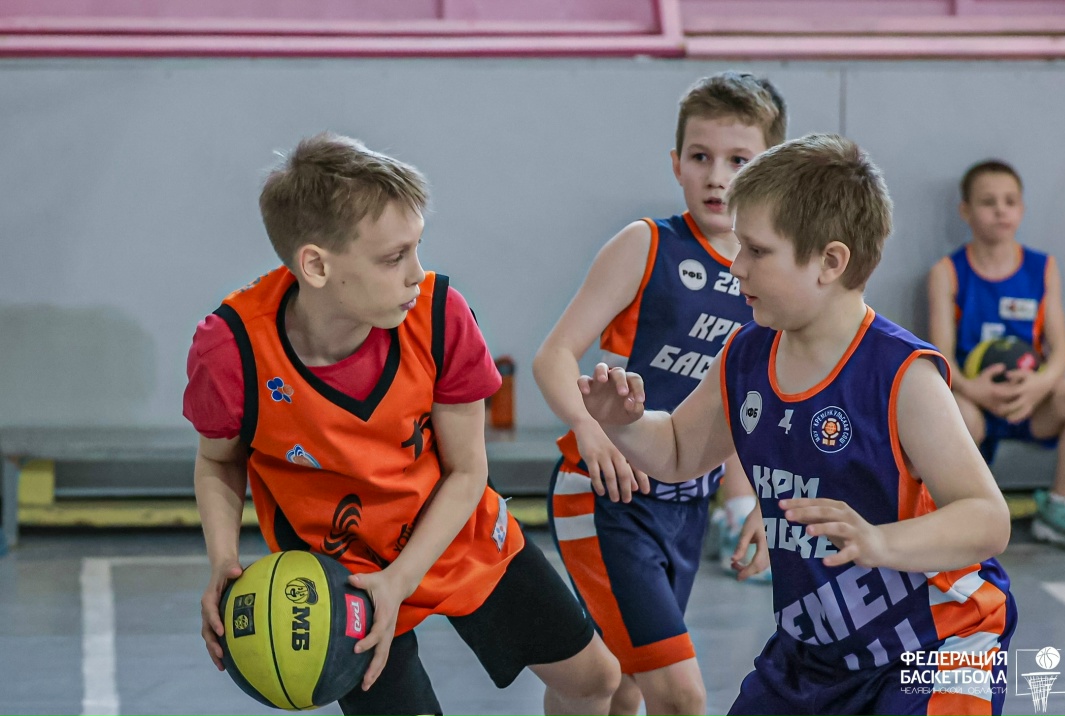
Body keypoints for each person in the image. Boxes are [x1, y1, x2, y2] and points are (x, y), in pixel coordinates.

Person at [577, 134, 1017, 716]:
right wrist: (626, 425)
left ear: (830, 262)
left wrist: (881, 542)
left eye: (757, 251)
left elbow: (988, 518)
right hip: (816, 652)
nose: (736, 266)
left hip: (940, 643)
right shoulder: (745, 353)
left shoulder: (902, 375)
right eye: (739, 246)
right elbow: (679, 451)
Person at [183, 133, 621, 716]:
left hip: (452, 529)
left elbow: (468, 471)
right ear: (316, 265)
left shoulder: (440, 315)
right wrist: (223, 560)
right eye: (393, 258)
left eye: (417, 248)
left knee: (595, 680)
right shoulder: (232, 350)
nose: (417, 272)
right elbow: (218, 460)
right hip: (341, 575)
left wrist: (401, 579)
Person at [533, 71, 785, 716]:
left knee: (619, 684)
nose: (717, 177)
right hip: (607, 492)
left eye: (739, 160)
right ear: (676, 164)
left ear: (770, 170)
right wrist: (589, 431)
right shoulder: (647, 244)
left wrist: (758, 502)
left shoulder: (767, 273)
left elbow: (745, 408)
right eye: (700, 157)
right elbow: (554, 356)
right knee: (679, 695)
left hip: (686, 505)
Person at [927, 159, 1065, 551]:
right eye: (988, 202)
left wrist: (1038, 386)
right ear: (965, 211)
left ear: (1022, 209)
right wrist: (974, 390)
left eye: (1010, 201)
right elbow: (941, 357)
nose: (1000, 210)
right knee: (956, 413)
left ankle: (1060, 507)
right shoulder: (947, 272)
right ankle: (959, 513)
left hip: (1031, 401)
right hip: (974, 399)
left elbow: (1061, 352)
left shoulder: (1042, 268)